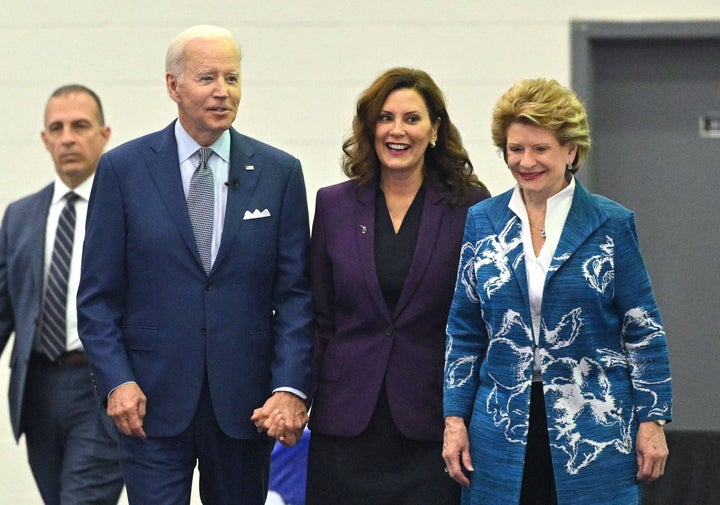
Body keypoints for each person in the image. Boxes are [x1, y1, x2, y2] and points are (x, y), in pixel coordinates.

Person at [77, 25, 313, 504]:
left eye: (233, 77)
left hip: (246, 407)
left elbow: (295, 297)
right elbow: (97, 299)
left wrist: (290, 386)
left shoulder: (279, 173)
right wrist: (117, 380)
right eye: (207, 77)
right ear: (173, 86)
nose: (222, 91)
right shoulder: (123, 170)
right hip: (150, 403)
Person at [442, 77, 673, 505]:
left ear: (571, 150)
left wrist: (653, 418)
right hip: (500, 427)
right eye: (515, 149)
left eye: (540, 148)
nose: (525, 161)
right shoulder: (482, 221)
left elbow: (643, 329)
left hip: (594, 424)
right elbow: (464, 331)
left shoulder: (611, 223)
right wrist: (454, 420)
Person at [306, 67, 490, 505]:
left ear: (435, 129)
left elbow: (480, 320)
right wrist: (297, 396)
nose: (397, 130)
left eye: (412, 118)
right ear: (370, 128)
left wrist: (466, 413)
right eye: (385, 118)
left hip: (432, 424)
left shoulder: (471, 206)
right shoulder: (333, 205)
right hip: (346, 421)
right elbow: (317, 316)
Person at [0, 84, 124, 504]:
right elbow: (5, 308)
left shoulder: (127, 209)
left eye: (80, 125)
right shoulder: (20, 216)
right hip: (36, 389)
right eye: (57, 127)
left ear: (103, 135)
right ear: (45, 139)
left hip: (101, 385)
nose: (68, 137)